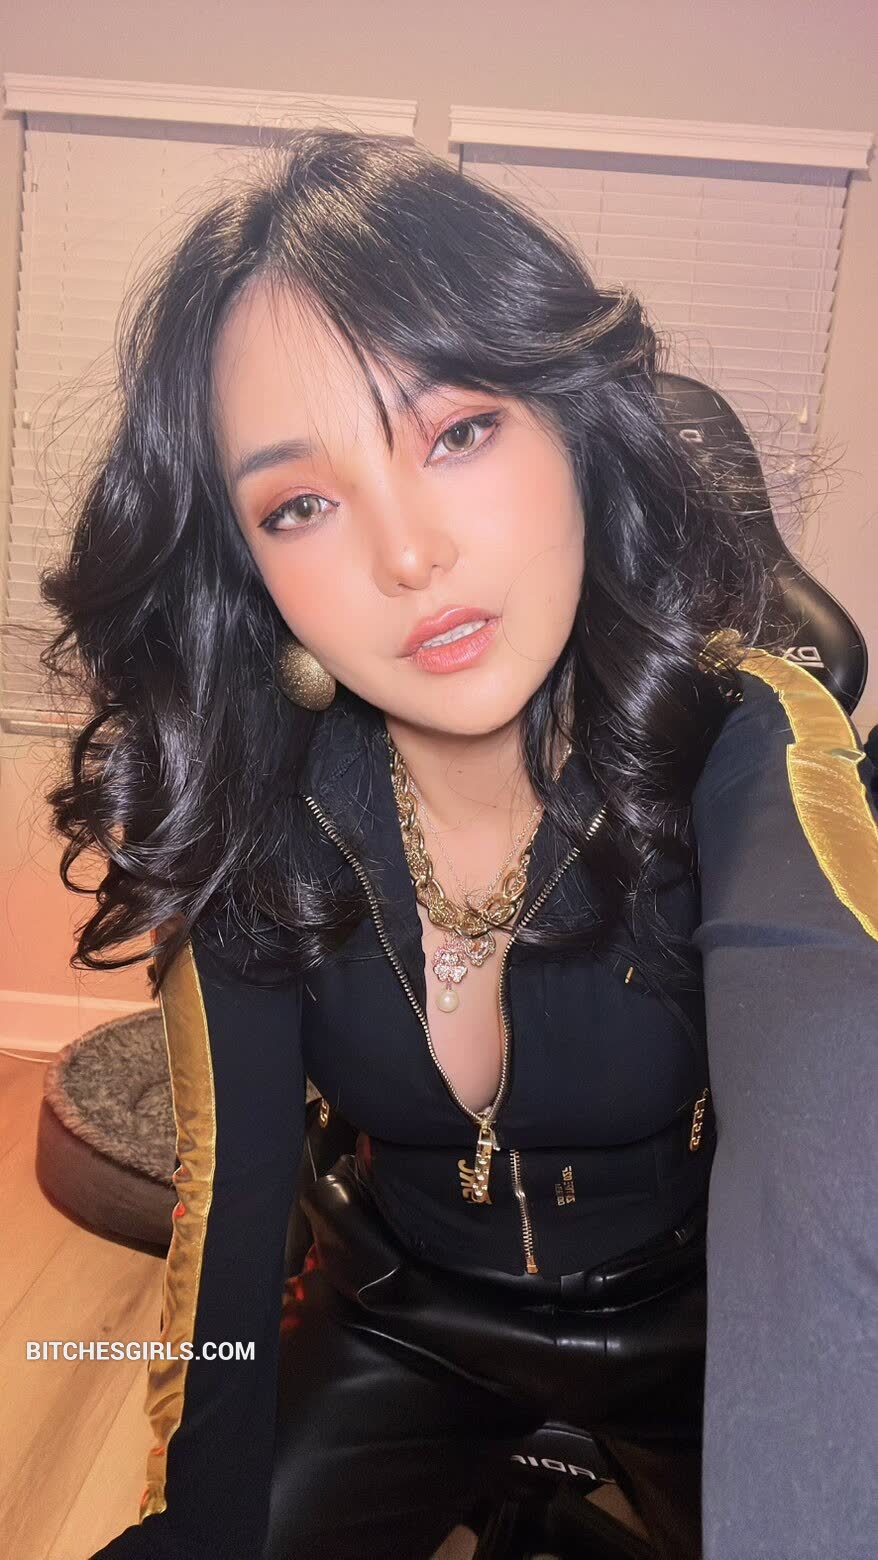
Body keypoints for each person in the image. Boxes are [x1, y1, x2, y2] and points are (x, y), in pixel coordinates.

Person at [39, 130, 878, 1560]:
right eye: (302, 504)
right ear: (253, 567)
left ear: (573, 427)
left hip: (700, 1324)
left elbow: (832, 1136)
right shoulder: (249, 795)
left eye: (458, 433)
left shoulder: (741, 732)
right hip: (405, 1319)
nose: (407, 555)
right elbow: (232, 1222)